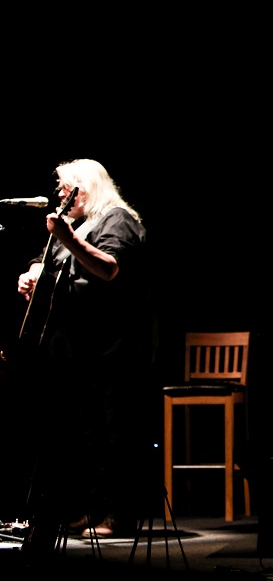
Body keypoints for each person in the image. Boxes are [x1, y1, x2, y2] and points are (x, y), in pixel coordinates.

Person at [15, 159, 154, 556]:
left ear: (88, 186)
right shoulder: (78, 226)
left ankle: (119, 513)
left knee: (114, 427)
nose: (60, 195)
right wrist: (33, 272)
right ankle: (92, 506)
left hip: (115, 342)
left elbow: (109, 268)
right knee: (85, 428)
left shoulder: (116, 220)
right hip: (80, 345)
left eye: (67, 187)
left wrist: (67, 238)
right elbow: (53, 262)